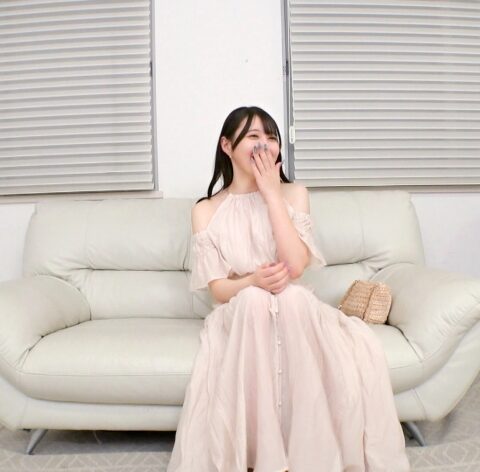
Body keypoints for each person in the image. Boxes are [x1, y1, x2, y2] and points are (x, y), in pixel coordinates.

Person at [167, 106, 411, 471]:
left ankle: (308, 457)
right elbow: (218, 289)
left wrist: (271, 194)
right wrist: (252, 281)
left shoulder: (294, 194)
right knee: (253, 300)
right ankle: (264, 457)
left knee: (294, 297)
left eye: (271, 138)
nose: (264, 145)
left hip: (292, 310)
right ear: (226, 146)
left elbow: (295, 266)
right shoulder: (206, 210)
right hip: (242, 312)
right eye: (253, 137)